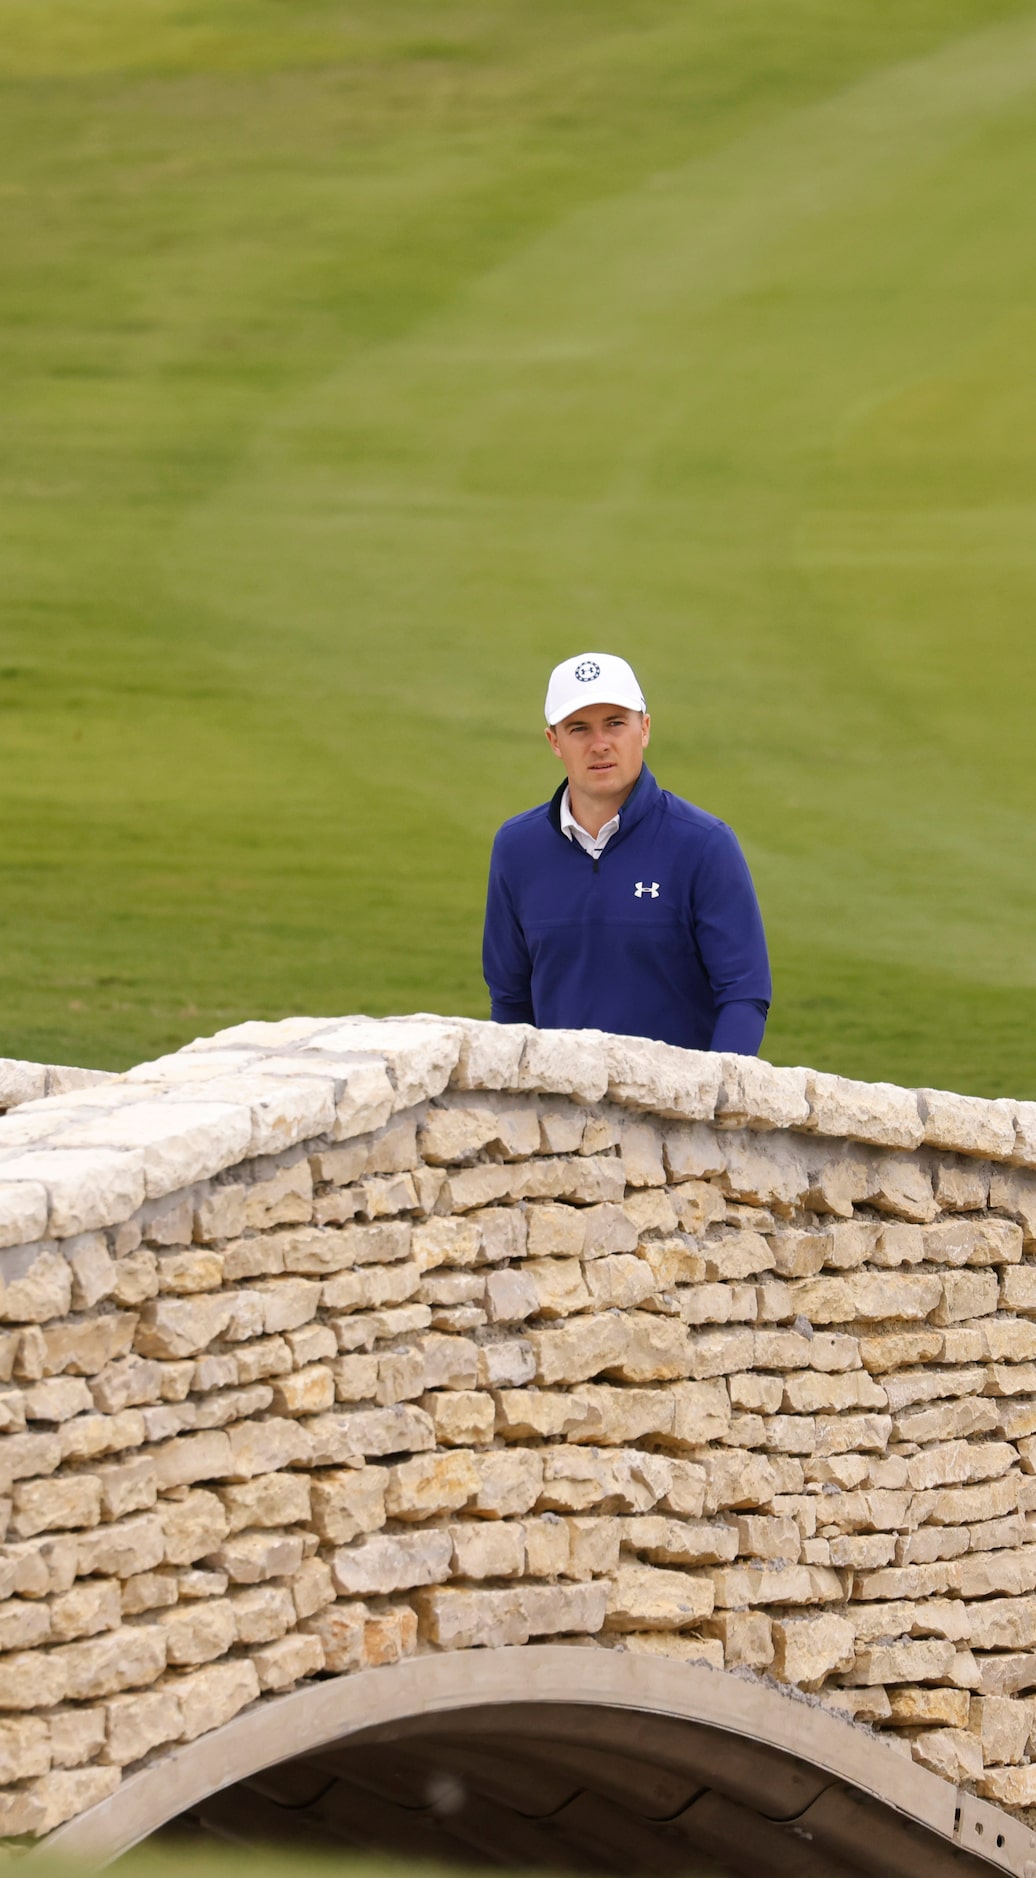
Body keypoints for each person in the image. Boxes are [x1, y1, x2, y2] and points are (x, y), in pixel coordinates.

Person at [482, 652, 771, 1054]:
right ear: (554, 742)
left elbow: (744, 996)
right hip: (561, 1109)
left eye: (615, 724)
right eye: (579, 728)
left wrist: (708, 1105)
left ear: (644, 729)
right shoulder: (517, 849)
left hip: (675, 1108)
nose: (600, 744)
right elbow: (510, 1001)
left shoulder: (704, 844)